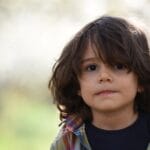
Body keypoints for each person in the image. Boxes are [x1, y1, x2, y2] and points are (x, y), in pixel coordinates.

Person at [49, 15, 150, 150]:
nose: (104, 76)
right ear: (76, 83)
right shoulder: (68, 141)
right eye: (91, 68)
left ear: (141, 79)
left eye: (119, 66)